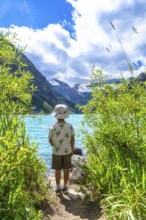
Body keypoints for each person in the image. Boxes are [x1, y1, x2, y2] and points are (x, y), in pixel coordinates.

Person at [48, 104, 75, 195]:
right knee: (66, 169)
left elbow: (50, 139)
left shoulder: (52, 127)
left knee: (57, 170)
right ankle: (65, 187)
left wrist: (54, 147)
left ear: (56, 115)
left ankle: (58, 188)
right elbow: (72, 139)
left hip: (56, 152)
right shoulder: (70, 126)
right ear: (65, 115)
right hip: (67, 151)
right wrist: (71, 149)